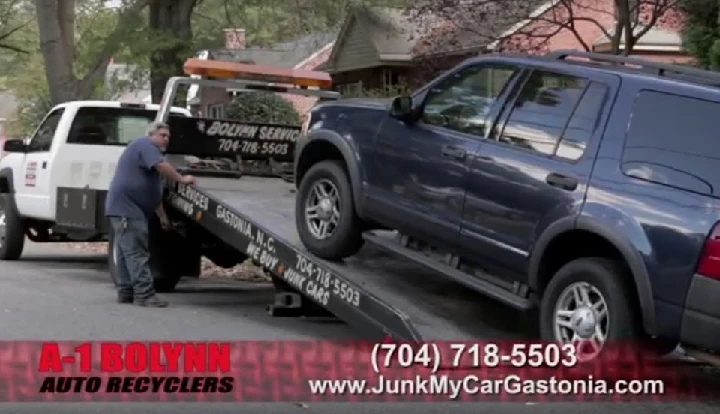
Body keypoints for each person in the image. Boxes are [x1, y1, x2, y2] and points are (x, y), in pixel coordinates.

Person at [105, 121, 196, 307]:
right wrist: (181, 179)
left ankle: (126, 292)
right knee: (137, 252)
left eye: (168, 137)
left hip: (124, 208)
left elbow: (154, 195)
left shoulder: (149, 160)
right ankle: (144, 295)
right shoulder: (144, 145)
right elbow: (162, 166)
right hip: (127, 209)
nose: (166, 140)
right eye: (163, 135)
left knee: (125, 252)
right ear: (151, 135)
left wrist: (163, 219)